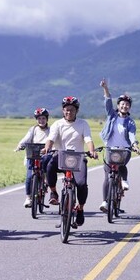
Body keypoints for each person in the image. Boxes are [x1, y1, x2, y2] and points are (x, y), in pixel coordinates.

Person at [42, 96, 98, 226]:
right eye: (66, 110)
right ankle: (53, 192)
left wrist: (92, 151)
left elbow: (88, 139)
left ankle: (80, 208)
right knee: (50, 165)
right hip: (61, 156)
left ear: (76, 111)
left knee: (81, 183)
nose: (69, 112)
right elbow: (51, 138)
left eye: (72, 110)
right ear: (63, 111)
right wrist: (47, 148)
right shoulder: (57, 124)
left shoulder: (83, 124)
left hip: (78, 158)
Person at [98, 78, 140, 213]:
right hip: (110, 149)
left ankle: (124, 180)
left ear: (129, 107)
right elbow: (108, 101)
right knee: (107, 176)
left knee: (122, 165)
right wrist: (105, 88)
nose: (124, 106)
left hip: (124, 150)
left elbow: (132, 134)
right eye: (122, 104)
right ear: (118, 105)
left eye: (127, 105)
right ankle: (105, 202)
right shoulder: (112, 115)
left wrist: (134, 145)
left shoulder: (130, 122)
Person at [14, 108, 51, 208]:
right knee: (30, 176)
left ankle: (46, 182)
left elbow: (54, 140)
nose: (41, 121)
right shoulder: (33, 129)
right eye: (39, 119)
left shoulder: (51, 130)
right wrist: (20, 145)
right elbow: (26, 138)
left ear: (47, 119)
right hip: (33, 154)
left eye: (43, 118)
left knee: (47, 169)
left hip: (45, 154)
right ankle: (28, 197)